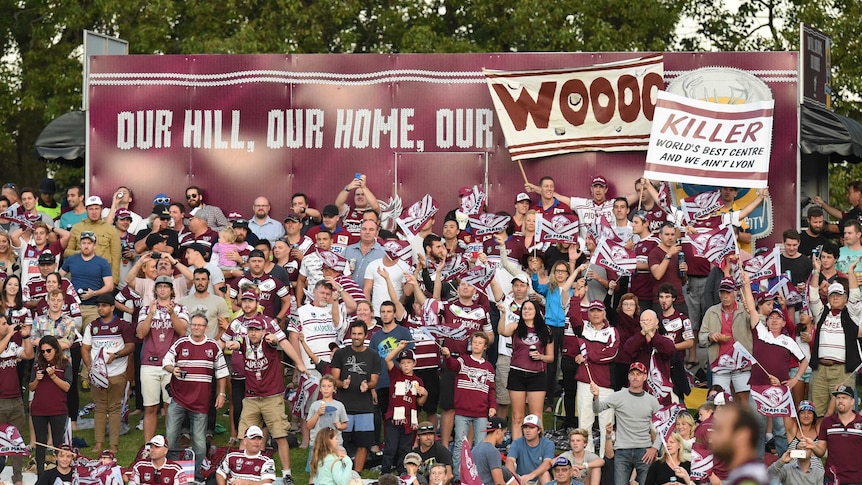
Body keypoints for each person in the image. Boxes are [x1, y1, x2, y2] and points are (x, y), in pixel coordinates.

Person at [222, 317, 295, 485]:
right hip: (252, 396)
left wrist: (275, 339)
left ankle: (287, 474)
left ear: (263, 331)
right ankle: (240, 473)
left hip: (272, 396)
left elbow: (276, 342)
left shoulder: (268, 341)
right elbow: (238, 345)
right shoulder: (245, 343)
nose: (253, 333)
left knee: (280, 435)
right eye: (251, 330)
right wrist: (233, 345)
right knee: (244, 436)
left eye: (256, 330)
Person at [163, 311, 228, 479]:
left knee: (199, 443)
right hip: (178, 399)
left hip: (201, 402)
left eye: (200, 325)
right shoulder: (180, 343)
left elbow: (221, 373)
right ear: (190, 326)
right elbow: (166, 361)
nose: (196, 328)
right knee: (170, 436)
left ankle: (196, 473)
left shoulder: (213, 346)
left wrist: (221, 394)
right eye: (194, 325)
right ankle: (172, 470)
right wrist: (173, 369)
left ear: (206, 328)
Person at [591, 362, 661, 485]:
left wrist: (655, 448)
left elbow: (663, 426)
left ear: (645, 377)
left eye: (638, 374)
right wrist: (596, 396)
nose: (635, 377)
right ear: (628, 377)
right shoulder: (617, 396)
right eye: (632, 374)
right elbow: (597, 409)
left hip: (644, 450)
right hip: (622, 450)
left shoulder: (652, 401)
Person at [138, 275, 190, 441]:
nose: (162, 289)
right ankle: (148, 445)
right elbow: (140, 333)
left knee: (170, 406)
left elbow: (182, 331)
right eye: (159, 286)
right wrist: (151, 314)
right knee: (150, 407)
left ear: (171, 290)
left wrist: (172, 314)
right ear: (155, 289)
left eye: (166, 286)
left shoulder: (181, 308)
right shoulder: (146, 309)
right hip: (149, 363)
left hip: (171, 364)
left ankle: (169, 443)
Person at [808, 254, 862, 415]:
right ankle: (817, 441)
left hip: (842, 370)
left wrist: (851, 272)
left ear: (845, 298)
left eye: (839, 295)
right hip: (820, 370)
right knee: (816, 412)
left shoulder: (851, 314)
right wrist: (816, 271)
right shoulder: (821, 313)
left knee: (843, 412)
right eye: (832, 295)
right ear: (829, 298)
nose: (836, 297)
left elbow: (855, 295)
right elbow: (813, 296)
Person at [81, 293, 135, 453]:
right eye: (98, 305)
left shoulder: (122, 325)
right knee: (99, 408)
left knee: (114, 408)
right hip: (98, 374)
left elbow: (131, 346)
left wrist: (116, 355)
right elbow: (85, 347)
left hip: (117, 372)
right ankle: (98, 443)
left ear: (112, 307)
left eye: (104, 305)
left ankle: (113, 445)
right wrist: (89, 366)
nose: (100, 308)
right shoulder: (92, 326)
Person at [441, 331, 496, 479]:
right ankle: (458, 476)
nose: (476, 345)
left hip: (481, 412)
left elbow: (491, 389)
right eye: (475, 342)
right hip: (462, 411)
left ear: (485, 347)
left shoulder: (489, 367)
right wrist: (447, 356)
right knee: (460, 443)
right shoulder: (463, 360)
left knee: (480, 445)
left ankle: (477, 476)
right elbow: (452, 366)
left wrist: (492, 406)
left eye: (480, 343)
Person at [330, 320, 381, 473]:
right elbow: (334, 379)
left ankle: (356, 475)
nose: (356, 337)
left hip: (364, 407)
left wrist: (368, 386)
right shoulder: (340, 353)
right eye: (354, 334)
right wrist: (342, 384)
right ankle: (338, 473)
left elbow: (374, 381)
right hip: (343, 407)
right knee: (339, 443)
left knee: (363, 444)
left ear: (365, 335)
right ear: (350, 335)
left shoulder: (373, 355)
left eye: (360, 334)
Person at [498, 299, 552, 440]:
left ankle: (538, 447)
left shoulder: (545, 330)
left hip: (537, 375)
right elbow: (502, 331)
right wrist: (504, 314)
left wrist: (540, 356)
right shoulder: (516, 326)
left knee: (536, 416)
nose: (527, 311)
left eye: (530, 309)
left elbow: (551, 357)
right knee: (517, 416)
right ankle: (516, 449)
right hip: (517, 372)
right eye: (524, 309)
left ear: (537, 312)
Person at [576, 299, 620, 456]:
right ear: (588, 313)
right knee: (584, 421)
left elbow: (611, 353)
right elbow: (573, 315)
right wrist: (577, 296)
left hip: (605, 383)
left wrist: (587, 356)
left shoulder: (612, 331)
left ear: (604, 313)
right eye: (592, 311)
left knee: (606, 424)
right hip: (585, 381)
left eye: (599, 311)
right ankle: (587, 459)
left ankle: (605, 459)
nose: (595, 314)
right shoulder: (582, 328)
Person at [700, 277, 754, 403]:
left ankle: (746, 423)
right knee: (719, 400)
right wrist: (710, 336)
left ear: (735, 293)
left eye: (728, 292)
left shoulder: (744, 309)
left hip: (742, 363)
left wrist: (751, 311)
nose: (725, 296)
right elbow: (701, 338)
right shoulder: (711, 312)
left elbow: (758, 326)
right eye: (722, 292)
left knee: (744, 401)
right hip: (719, 364)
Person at [801, 384, 862, 485]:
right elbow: (821, 451)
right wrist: (813, 446)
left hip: (857, 479)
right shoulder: (827, 422)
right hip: (832, 477)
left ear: (852, 401)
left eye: (844, 398)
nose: (840, 401)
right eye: (838, 398)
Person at [381, 344, 427, 475]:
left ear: (414, 363)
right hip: (394, 418)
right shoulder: (396, 375)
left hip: (409, 420)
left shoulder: (417, 381)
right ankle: (385, 474)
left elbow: (420, 402)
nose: (406, 365)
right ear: (399, 365)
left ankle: (402, 474)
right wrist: (399, 348)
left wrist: (425, 393)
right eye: (403, 363)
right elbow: (387, 359)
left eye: (409, 362)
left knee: (405, 449)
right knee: (390, 447)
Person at [29, 335, 71, 474]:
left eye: (48, 350)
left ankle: (60, 473)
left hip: (58, 409)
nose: (45, 354)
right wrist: (37, 379)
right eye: (42, 351)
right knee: (40, 442)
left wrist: (53, 376)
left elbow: (67, 387)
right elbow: (31, 387)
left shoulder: (65, 363)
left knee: (58, 443)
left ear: (56, 349)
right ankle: (40, 474)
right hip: (39, 409)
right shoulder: (37, 365)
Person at [0, 312, 32, 485]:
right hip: (0, 401)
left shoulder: (12, 346)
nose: (7, 326)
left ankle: (17, 477)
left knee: (17, 441)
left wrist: (25, 337)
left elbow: (29, 355)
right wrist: (11, 334)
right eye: (4, 323)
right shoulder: (6, 342)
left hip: (16, 399)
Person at [60, 230, 114, 326]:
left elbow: (109, 286)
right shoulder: (72, 259)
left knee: (90, 336)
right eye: (84, 243)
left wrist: (93, 293)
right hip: (73, 306)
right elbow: (58, 278)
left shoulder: (102, 262)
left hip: (93, 308)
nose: (86, 246)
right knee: (71, 336)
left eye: (89, 243)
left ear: (94, 245)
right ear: (80, 244)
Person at [65, 195, 121, 283]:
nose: (94, 212)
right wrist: (83, 252)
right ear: (86, 210)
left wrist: (114, 281)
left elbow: (116, 257)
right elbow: (66, 252)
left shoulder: (111, 230)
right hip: (80, 274)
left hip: (103, 276)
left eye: (96, 208)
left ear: (101, 209)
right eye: (91, 209)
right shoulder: (76, 228)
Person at [711, 403, 769, 485]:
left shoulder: (747, 480)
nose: (712, 436)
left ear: (743, 436)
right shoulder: (745, 476)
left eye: (719, 430)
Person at [306, 375, 348, 478]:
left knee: (336, 470)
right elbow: (309, 425)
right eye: (323, 386)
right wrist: (318, 414)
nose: (326, 388)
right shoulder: (315, 405)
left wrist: (340, 425)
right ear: (320, 389)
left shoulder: (339, 405)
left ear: (334, 389)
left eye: (329, 386)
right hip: (317, 443)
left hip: (335, 444)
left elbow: (345, 424)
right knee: (315, 472)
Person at [506, 413, 555, 484]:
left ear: (539, 430)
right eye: (525, 427)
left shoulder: (548, 444)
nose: (527, 430)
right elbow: (509, 461)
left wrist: (531, 476)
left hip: (538, 479)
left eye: (531, 428)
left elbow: (547, 463)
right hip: (521, 479)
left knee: (545, 474)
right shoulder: (517, 443)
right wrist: (515, 478)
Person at [473, 416, 511, 485]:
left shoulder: (475, 448)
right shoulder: (493, 451)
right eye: (504, 433)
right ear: (499, 431)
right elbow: (499, 482)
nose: (504, 437)